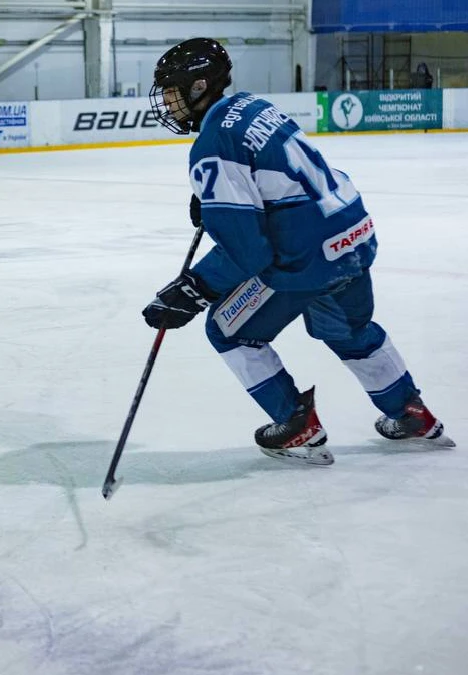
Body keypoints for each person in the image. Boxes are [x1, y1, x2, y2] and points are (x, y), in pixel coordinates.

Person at [141, 38, 453, 465]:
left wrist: (193, 288)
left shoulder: (212, 143)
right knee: (350, 331)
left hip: (308, 254)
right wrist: (217, 206)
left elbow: (246, 250)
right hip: (351, 232)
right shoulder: (253, 106)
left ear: (198, 87)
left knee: (229, 330)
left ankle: (296, 425)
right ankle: (412, 413)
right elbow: (274, 176)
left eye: (172, 91)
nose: (168, 103)